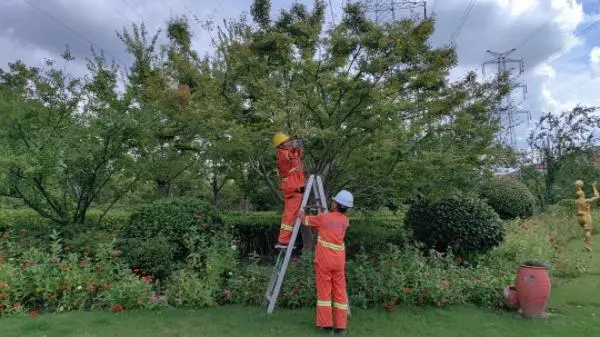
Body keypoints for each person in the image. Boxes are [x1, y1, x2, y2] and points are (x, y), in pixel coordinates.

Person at [298, 190, 353, 335]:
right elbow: (332, 223)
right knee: (340, 294)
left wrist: (301, 212)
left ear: (336, 204)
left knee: (324, 293)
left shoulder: (323, 218)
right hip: (339, 262)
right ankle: (341, 327)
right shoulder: (345, 221)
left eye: (334, 201)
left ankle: (326, 325)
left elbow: (306, 221)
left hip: (324, 261)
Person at [272, 131, 306, 249]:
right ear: (281, 145)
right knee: (290, 214)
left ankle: (286, 239)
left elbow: (296, 156)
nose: (289, 142)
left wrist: (299, 147)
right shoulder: (282, 154)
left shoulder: (290, 153)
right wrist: (294, 147)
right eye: (286, 141)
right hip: (292, 188)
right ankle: (283, 240)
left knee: (292, 213)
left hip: (296, 186)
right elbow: (289, 155)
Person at [575, 180, 598, 252]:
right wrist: (594, 187)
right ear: (582, 194)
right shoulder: (586, 200)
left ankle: (587, 243)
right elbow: (597, 196)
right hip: (586, 216)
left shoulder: (576, 201)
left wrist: (579, 187)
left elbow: (580, 194)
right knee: (588, 231)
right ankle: (587, 246)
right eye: (583, 193)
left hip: (579, 218)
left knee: (587, 230)